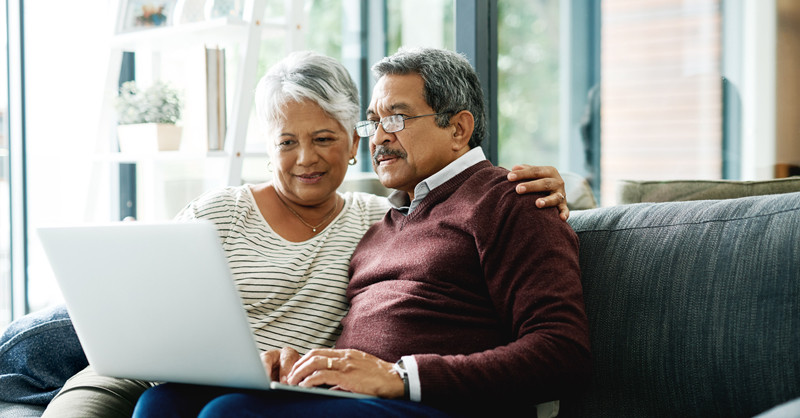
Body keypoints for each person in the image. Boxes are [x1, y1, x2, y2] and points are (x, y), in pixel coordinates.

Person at [0, 50, 568, 417]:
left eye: (392, 119)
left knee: (225, 415)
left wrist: (399, 376)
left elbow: (562, 350)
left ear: (459, 126)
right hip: (187, 364)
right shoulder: (393, 217)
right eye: (377, 122)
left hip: (416, 399)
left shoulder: (510, 200)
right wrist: (292, 363)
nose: (379, 137)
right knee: (160, 403)